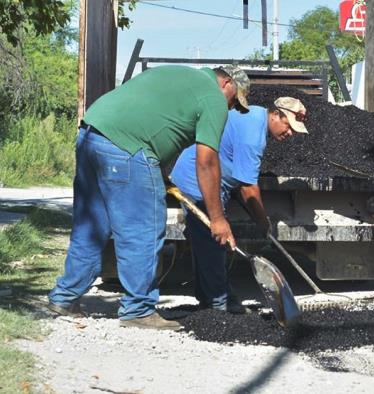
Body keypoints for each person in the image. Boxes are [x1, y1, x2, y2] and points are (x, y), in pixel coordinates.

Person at [47, 65, 251, 330]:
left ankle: (64, 297)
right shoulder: (213, 97)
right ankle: (138, 310)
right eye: (235, 100)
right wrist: (218, 218)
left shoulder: (180, 75)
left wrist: (159, 171)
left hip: (91, 134)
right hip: (127, 147)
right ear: (226, 83)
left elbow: (156, 121)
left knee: (91, 226)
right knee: (143, 228)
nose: (232, 108)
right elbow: (207, 162)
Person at [169, 97, 308, 313]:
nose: (290, 133)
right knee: (214, 242)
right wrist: (263, 222)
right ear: (275, 114)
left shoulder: (254, 116)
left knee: (208, 244)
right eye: (289, 126)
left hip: (212, 180)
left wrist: (256, 215)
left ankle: (210, 299)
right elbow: (248, 187)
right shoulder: (253, 136)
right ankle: (219, 304)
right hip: (197, 180)